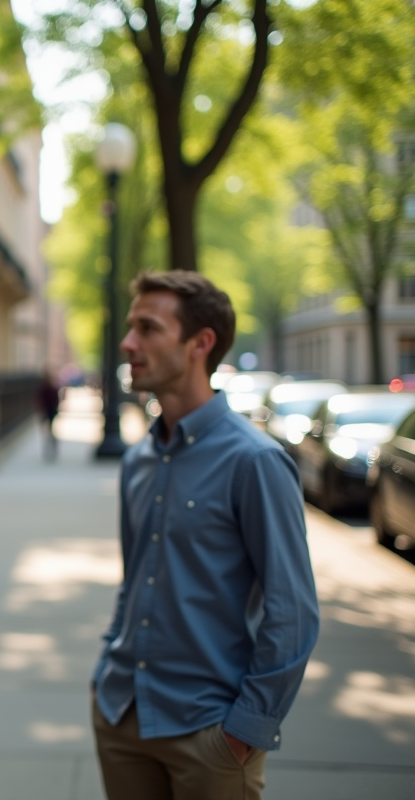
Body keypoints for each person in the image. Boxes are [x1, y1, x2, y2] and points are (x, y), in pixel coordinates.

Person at [90, 271, 319, 800]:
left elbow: (293, 610)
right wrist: (106, 666)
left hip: (209, 732)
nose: (128, 343)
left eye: (148, 329)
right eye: (131, 327)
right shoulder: (139, 458)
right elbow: (135, 582)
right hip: (121, 715)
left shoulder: (255, 461)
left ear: (201, 344)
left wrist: (245, 731)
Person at [35, 371, 61, 460]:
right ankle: (50, 447)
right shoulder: (47, 388)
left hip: (49, 411)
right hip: (48, 410)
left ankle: (51, 447)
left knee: (49, 430)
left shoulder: (48, 388)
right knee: (49, 430)